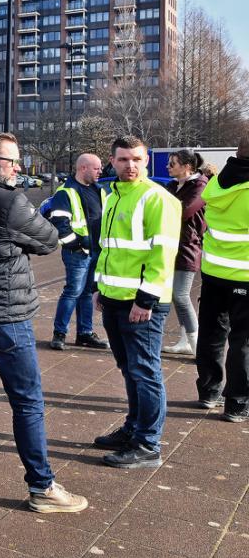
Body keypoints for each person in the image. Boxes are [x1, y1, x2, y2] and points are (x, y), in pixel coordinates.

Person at [0, 131, 87, 513]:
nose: (18, 168)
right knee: (27, 403)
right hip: (5, 315)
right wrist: (16, 240)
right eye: (12, 161)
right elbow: (50, 240)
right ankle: (41, 487)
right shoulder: (8, 202)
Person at [92, 135, 180, 468]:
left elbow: (162, 254)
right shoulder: (113, 195)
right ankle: (134, 428)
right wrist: (100, 287)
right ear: (112, 161)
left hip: (141, 303)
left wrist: (145, 300)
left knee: (145, 372)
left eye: (137, 159)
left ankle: (147, 444)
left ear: (145, 161)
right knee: (129, 369)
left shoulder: (156, 198)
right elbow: (110, 248)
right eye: (124, 159)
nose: (131, 165)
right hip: (115, 298)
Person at [195, 133, 249, 422]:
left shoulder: (217, 183)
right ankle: (237, 402)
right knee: (243, 341)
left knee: (212, 332)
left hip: (215, 271)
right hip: (245, 276)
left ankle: (209, 391)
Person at [48, 153, 109, 351]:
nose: (100, 171)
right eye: (96, 168)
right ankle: (60, 333)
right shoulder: (66, 192)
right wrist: (76, 245)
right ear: (83, 168)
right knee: (73, 292)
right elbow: (60, 224)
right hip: (78, 252)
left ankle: (85, 333)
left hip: (95, 251)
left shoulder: (99, 191)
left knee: (87, 293)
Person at [163, 149, 208, 356]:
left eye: (173, 164)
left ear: (187, 166)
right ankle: (185, 341)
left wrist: (166, 210)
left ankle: (197, 345)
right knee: (175, 295)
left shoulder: (200, 186)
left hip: (188, 248)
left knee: (180, 295)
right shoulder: (172, 185)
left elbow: (184, 211)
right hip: (170, 246)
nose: (168, 167)